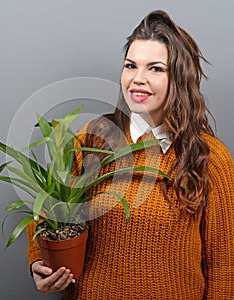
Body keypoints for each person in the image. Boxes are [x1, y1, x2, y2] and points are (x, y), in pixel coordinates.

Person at [26, 10, 234, 299]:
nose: (138, 79)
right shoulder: (92, 137)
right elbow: (50, 211)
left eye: (155, 68)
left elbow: (225, 266)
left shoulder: (211, 159)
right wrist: (38, 259)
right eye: (130, 65)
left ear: (180, 79)